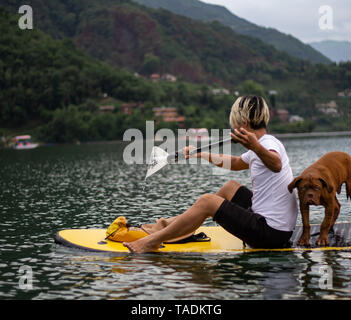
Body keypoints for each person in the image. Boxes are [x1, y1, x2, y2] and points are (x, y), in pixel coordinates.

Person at [123, 95, 298, 253]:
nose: (234, 128)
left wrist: (255, 146)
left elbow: (276, 164)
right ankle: (173, 228)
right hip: (272, 227)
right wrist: (200, 154)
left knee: (207, 201)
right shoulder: (262, 144)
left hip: (271, 234)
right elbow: (236, 163)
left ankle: (152, 241)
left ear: (244, 122)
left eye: (236, 123)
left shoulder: (266, 144)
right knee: (230, 187)